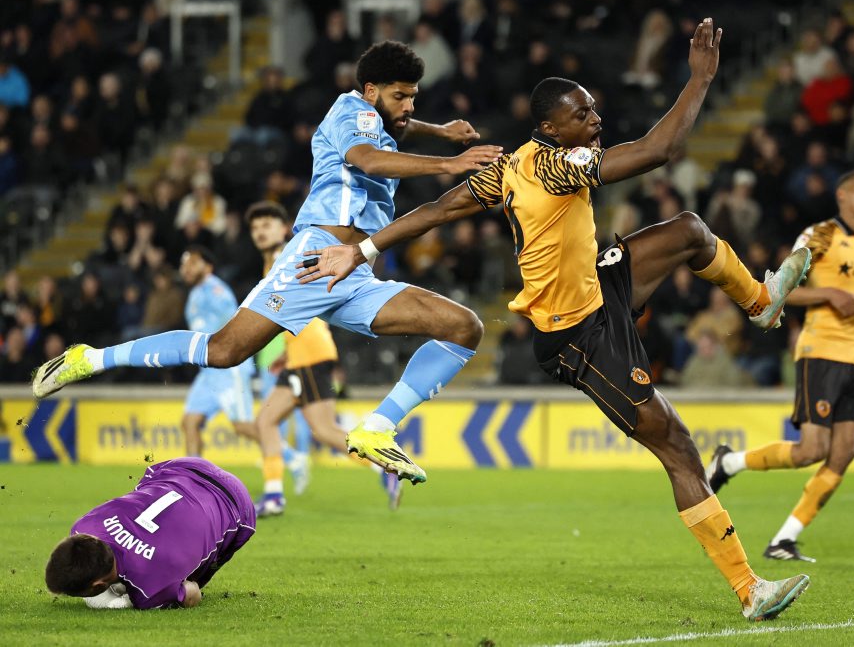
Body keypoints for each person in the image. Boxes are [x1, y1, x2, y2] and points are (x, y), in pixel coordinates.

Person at [300, 19, 812, 621]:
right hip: (577, 336)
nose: (596, 119)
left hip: (599, 289)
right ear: (550, 128)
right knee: (677, 446)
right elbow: (659, 151)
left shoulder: (514, 166)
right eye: (582, 113)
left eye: (593, 109)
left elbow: (438, 209)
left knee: (689, 231)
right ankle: (751, 589)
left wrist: (363, 250)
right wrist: (700, 79)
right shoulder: (554, 167)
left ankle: (760, 302)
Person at [32, 41, 504, 486]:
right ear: (370, 91)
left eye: (414, 97)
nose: (409, 107)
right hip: (315, 259)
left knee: (462, 326)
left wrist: (438, 131)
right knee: (223, 351)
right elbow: (370, 160)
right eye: (401, 96)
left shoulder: (376, 119)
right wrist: (450, 162)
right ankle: (90, 358)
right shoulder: (351, 112)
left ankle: (377, 428)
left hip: (355, 269)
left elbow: (395, 128)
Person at [705, 169, 854, 562]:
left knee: (843, 453)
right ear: (842, 195)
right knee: (810, 451)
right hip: (821, 353)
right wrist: (828, 293)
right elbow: (778, 292)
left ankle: (784, 539)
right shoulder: (821, 235)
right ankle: (729, 462)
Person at [245, 201, 403, 516]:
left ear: (283, 228)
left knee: (324, 430)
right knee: (267, 421)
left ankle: (385, 466)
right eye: (255, 227)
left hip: (310, 354)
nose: (260, 232)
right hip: (301, 354)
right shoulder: (274, 261)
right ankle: (274, 495)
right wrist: (287, 352)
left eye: (267, 225)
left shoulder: (284, 258)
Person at [45, 457, 255, 610]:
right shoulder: (84, 526)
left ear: (99, 585)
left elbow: (193, 593)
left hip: (234, 502)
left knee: (194, 577)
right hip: (182, 467)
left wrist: (172, 591)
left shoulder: (150, 591)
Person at [177, 245, 258, 455]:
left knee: (243, 426)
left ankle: (290, 457)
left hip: (228, 369)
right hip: (208, 371)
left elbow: (235, 324)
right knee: (190, 422)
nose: (186, 268)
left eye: (193, 263)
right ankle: (194, 473)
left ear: (208, 267)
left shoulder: (216, 290)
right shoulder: (195, 293)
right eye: (184, 264)